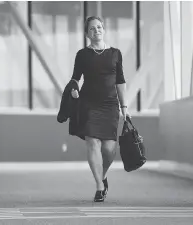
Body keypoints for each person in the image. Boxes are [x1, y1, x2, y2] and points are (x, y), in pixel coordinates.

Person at [70, 16, 129, 202]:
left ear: (104, 29)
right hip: (89, 103)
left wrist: (124, 106)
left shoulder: (115, 54)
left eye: (100, 27)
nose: (97, 31)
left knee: (109, 149)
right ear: (87, 33)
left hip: (110, 105)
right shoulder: (82, 55)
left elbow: (120, 82)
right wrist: (73, 90)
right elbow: (75, 78)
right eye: (93, 29)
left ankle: (103, 174)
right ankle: (99, 186)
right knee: (92, 142)